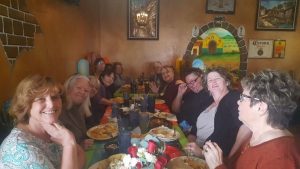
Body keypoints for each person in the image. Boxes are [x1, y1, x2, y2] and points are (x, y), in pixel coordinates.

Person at [202, 69, 300, 169]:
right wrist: (220, 160)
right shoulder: (254, 138)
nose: (238, 102)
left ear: (260, 107)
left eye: (243, 98)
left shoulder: (280, 158)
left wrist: (217, 166)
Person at [0, 75, 85, 169]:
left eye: (54, 97)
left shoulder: (53, 124)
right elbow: (73, 150)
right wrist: (69, 144)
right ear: (26, 105)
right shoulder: (19, 149)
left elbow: (79, 153)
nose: (51, 105)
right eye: (41, 99)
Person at [186, 67, 243, 157]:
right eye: (210, 80)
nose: (214, 82)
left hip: (212, 156)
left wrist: (202, 153)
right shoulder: (208, 102)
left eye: (217, 79)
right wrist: (190, 142)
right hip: (196, 149)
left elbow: (244, 127)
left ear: (227, 82)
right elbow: (194, 130)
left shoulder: (232, 98)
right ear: (207, 87)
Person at [172, 68, 214, 141]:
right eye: (188, 83)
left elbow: (202, 124)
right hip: (179, 130)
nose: (191, 85)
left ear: (201, 77)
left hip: (191, 136)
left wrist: (190, 138)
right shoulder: (190, 94)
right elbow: (175, 110)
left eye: (193, 81)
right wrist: (180, 93)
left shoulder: (210, 95)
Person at [59, 74, 93, 149]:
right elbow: (59, 146)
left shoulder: (78, 109)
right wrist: (79, 146)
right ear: (69, 88)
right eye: (78, 88)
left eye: (86, 90)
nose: (82, 92)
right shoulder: (59, 111)